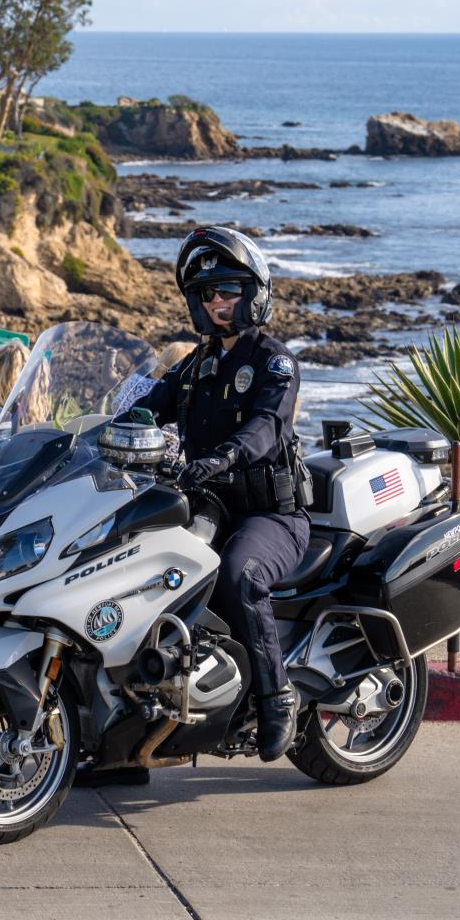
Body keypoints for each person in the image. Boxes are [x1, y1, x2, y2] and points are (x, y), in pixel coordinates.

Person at [126, 227, 308, 764]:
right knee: (140, 569)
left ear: (252, 294)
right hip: (209, 505)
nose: (217, 304)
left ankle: (277, 699)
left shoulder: (275, 362)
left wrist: (221, 457)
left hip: (270, 513)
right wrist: (92, 433)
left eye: (227, 291)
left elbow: (266, 427)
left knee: (238, 574)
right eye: (207, 294)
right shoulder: (195, 365)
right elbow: (145, 406)